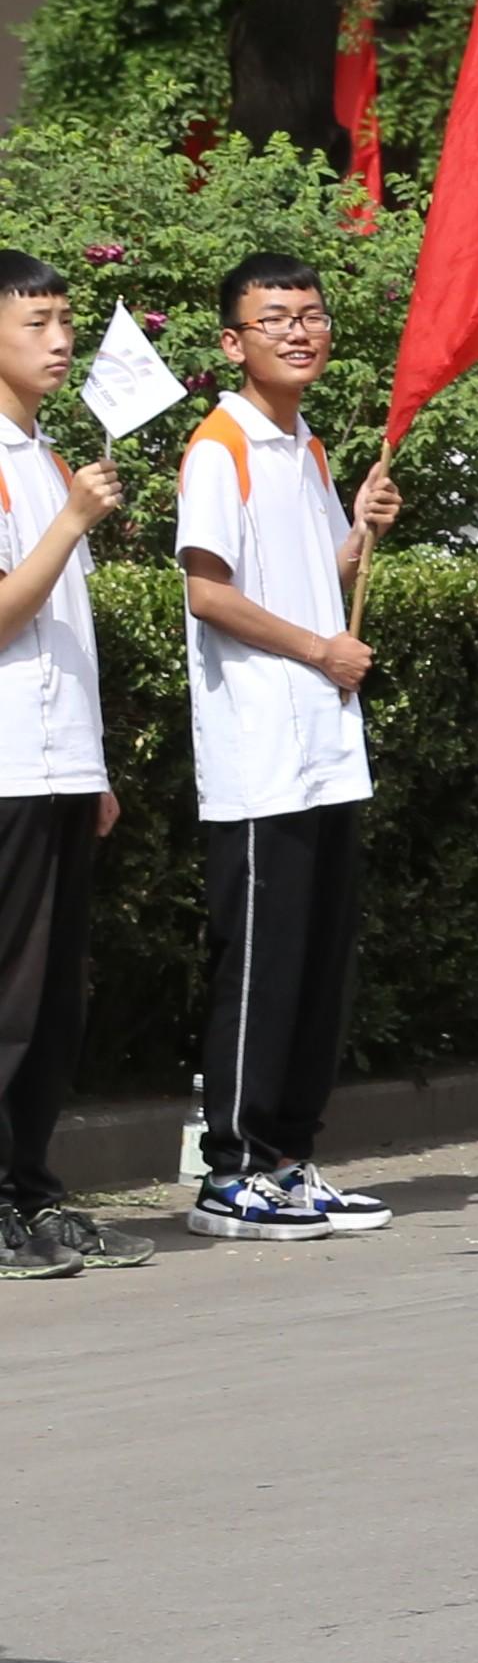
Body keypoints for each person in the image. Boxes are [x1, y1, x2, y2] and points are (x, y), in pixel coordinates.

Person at [176, 253, 408, 1241]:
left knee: (319, 968)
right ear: (234, 341)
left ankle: (288, 1161)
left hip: (323, 747)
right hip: (261, 755)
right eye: (276, 320)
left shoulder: (304, 447)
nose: (300, 333)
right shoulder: (219, 448)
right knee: (264, 967)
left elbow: (313, 572)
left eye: (311, 316)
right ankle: (229, 1171)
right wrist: (320, 647)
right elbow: (209, 591)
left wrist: (356, 532)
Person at [0, 254, 128, 1272]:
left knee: (52, 1003)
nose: (60, 339)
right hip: (3, 768)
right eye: (38, 320)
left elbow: (65, 636)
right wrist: (74, 523)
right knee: (6, 996)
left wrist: (95, 765)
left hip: (58, 768)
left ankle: (34, 1190)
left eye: (66, 320)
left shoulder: (47, 461)